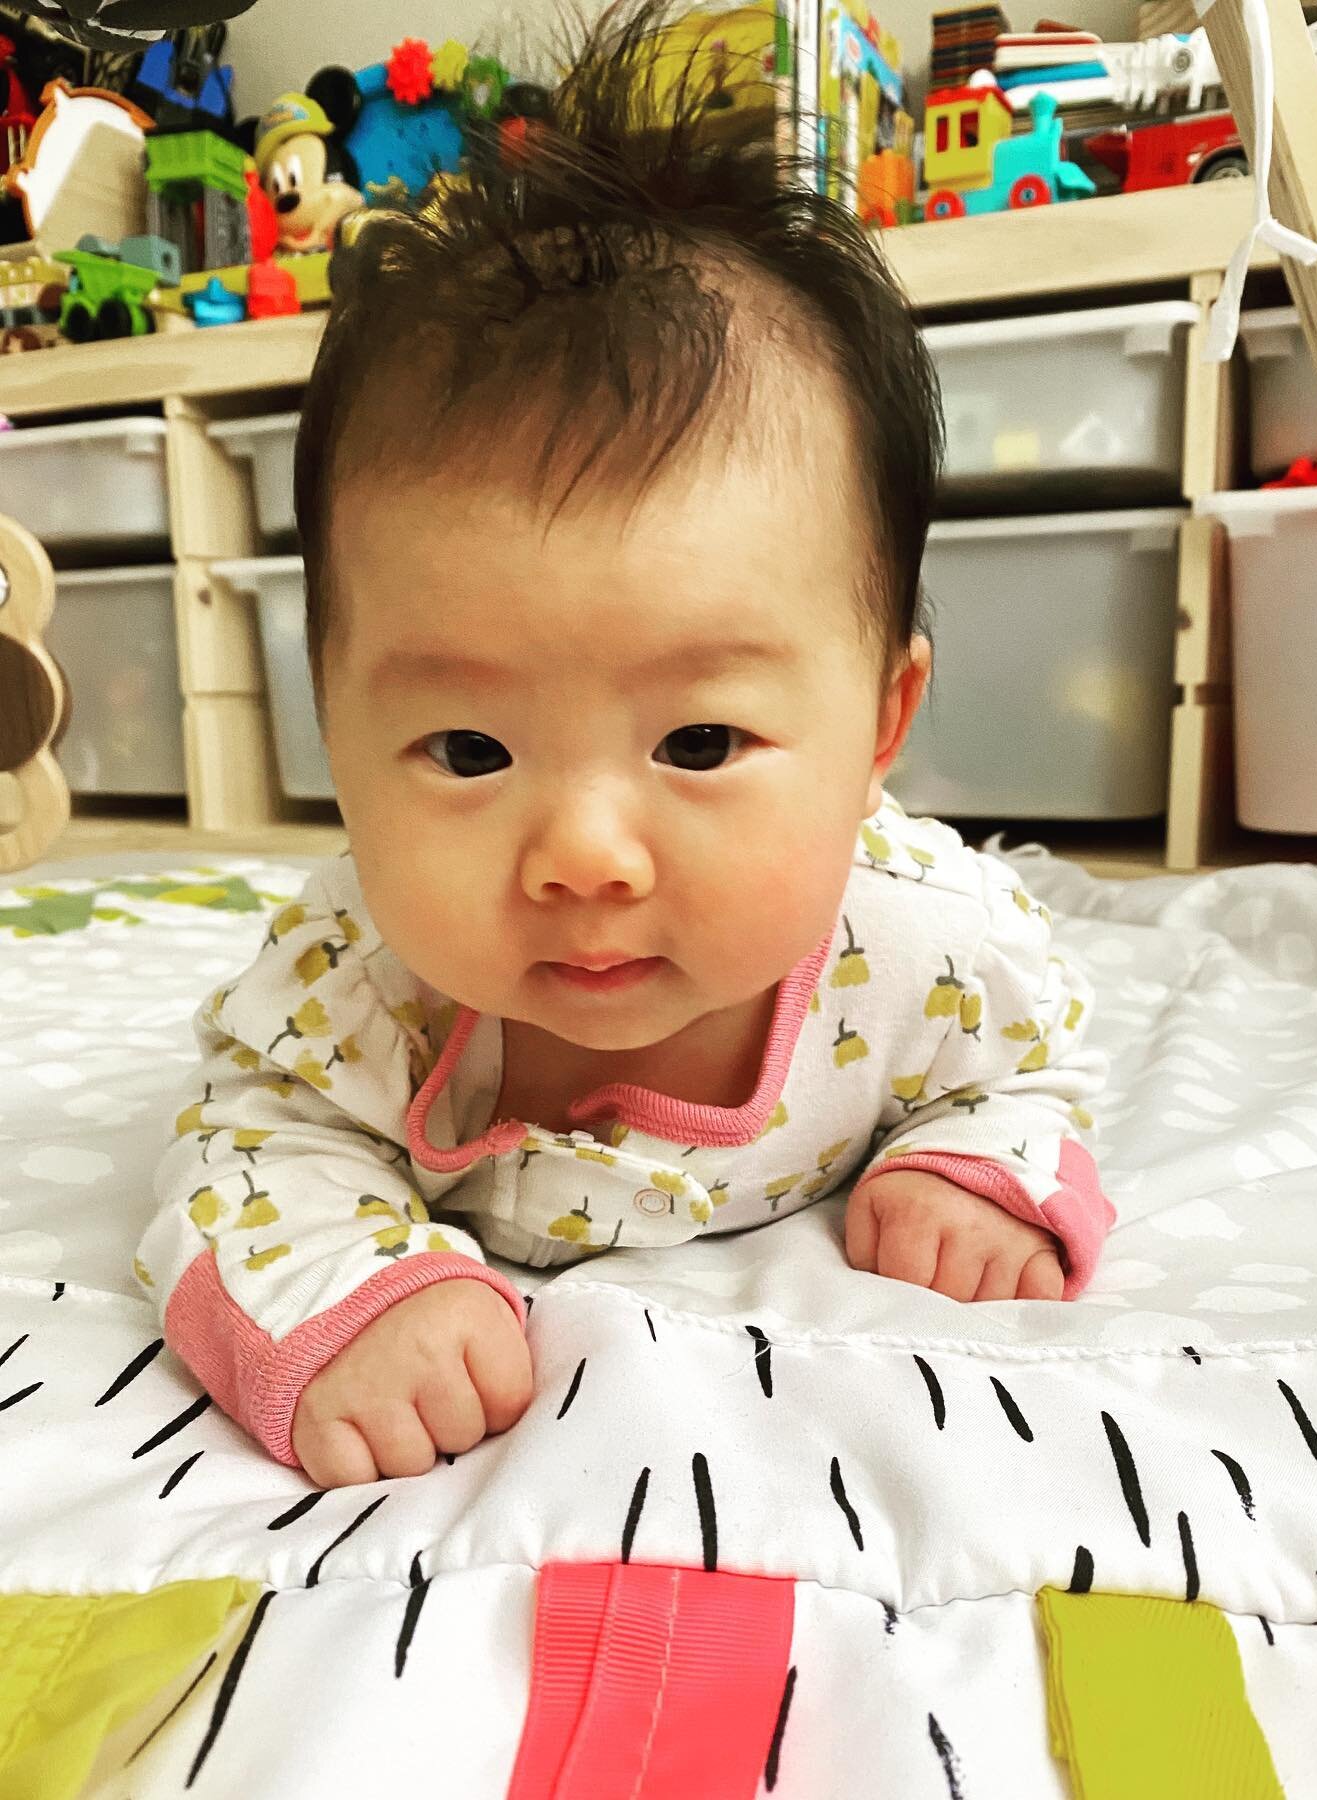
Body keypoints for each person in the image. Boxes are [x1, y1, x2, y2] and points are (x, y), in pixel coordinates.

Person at [139, 3, 1112, 1490]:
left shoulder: (930, 947)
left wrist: (969, 1170)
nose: (584, 854)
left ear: (879, 730)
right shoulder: (357, 988)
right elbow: (246, 1151)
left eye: (703, 738)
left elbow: (1029, 1073)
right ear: (333, 733)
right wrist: (342, 1296)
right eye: (466, 749)